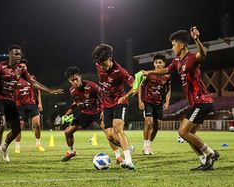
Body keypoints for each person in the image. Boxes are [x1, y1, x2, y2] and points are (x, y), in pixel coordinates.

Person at [142, 27, 219, 171]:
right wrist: (149, 72)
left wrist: (196, 39)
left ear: (181, 45)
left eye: (173, 45)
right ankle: (205, 161)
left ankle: (211, 153)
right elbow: (165, 70)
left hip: (201, 101)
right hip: (194, 103)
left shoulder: (191, 58)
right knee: (189, 135)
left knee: (183, 132)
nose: (172, 48)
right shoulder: (177, 60)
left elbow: (202, 54)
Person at [0, 45, 63, 166]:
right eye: (16, 54)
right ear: (9, 54)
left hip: (9, 100)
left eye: (20, 54)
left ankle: (4, 147)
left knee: (16, 129)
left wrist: (50, 90)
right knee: (1, 125)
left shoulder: (21, 69)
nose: (18, 56)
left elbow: (33, 82)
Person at [92, 44, 136, 170]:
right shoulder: (99, 65)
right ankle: (128, 147)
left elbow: (135, 85)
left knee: (118, 128)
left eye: (103, 64)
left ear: (110, 60)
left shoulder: (120, 71)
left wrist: (126, 96)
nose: (101, 67)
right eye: (99, 64)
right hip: (106, 105)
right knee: (109, 135)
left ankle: (128, 160)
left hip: (119, 102)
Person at [61, 66, 104, 161]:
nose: (75, 82)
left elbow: (104, 96)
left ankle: (123, 151)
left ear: (80, 77)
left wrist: (104, 111)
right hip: (85, 113)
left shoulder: (91, 86)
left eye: (76, 79)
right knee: (68, 132)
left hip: (98, 111)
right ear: (69, 81)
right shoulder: (72, 91)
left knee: (110, 133)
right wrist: (66, 114)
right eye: (72, 80)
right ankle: (71, 151)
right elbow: (76, 103)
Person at [138, 53, 171, 155]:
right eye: (156, 62)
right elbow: (140, 86)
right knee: (148, 122)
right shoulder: (148, 74)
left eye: (160, 62)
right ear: (154, 64)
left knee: (156, 127)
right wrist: (140, 100)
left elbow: (169, 90)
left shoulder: (167, 76)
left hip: (159, 104)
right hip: (148, 102)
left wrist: (167, 102)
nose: (158, 64)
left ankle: (148, 145)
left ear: (164, 64)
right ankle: (145, 145)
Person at [14, 59, 45, 154]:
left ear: (26, 68)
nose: (23, 68)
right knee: (19, 126)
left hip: (32, 104)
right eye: (21, 67)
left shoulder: (31, 77)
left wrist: (40, 103)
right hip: (20, 105)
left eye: (24, 66)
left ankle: (38, 144)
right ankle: (17, 146)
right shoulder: (15, 78)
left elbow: (38, 90)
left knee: (37, 124)